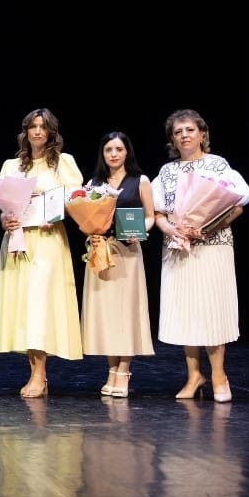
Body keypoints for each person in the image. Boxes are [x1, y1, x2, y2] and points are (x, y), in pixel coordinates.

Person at [151, 109, 249, 403]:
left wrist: (207, 229)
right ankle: (194, 375)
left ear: (202, 134)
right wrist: (173, 230)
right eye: (178, 132)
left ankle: (219, 376)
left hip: (213, 246)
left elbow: (237, 206)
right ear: (172, 139)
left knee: (213, 309)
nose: (184, 135)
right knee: (186, 310)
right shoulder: (167, 172)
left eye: (189, 130)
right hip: (178, 247)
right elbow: (157, 213)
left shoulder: (217, 165)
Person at [0, 108, 84, 398]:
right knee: (23, 306)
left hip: (47, 240)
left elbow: (76, 200)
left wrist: (55, 211)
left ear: (50, 132)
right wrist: (5, 220)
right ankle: (35, 371)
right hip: (18, 240)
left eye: (42, 127)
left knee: (40, 305)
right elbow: (3, 207)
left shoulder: (63, 163)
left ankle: (39, 374)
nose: (37, 131)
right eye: (32, 126)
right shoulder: (12, 165)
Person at [80, 131, 156, 398]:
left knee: (126, 313)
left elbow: (150, 216)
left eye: (119, 149)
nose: (113, 154)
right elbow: (85, 217)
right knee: (109, 315)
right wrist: (90, 230)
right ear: (102, 154)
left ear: (127, 152)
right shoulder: (94, 184)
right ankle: (111, 369)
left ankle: (124, 371)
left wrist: (140, 232)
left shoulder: (140, 180)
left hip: (128, 253)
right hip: (101, 251)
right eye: (108, 150)